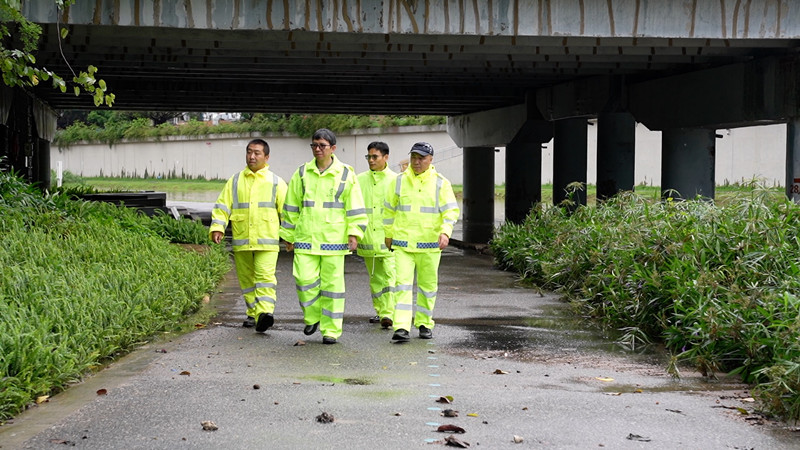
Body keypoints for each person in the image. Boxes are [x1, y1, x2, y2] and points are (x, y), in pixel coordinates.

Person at [280, 128, 368, 344]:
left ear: (333, 148)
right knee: (303, 280)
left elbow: (355, 207)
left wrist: (355, 233)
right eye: (314, 145)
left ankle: (330, 330)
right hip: (305, 239)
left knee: (333, 288)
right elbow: (291, 207)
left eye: (322, 146)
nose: (317, 149)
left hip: (333, 241)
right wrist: (287, 236)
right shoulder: (301, 173)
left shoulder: (346, 174)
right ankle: (312, 317)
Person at [209, 138, 287, 333]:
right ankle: (253, 313)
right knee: (246, 279)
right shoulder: (235, 181)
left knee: (265, 277)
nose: (252, 156)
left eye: (257, 153)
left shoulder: (276, 183)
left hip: (267, 240)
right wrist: (217, 227)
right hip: (242, 238)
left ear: (266, 157)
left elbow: (287, 212)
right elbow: (222, 206)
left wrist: (289, 236)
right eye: (249, 152)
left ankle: (265, 313)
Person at [384, 142, 459, 342]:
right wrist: (388, 234)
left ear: (430, 160)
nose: (416, 162)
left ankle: (425, 323)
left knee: (427, 286)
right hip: (403, 244)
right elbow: (388, 211)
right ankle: (401, 327)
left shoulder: (441, 183)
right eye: (414, 157)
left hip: (429, 245)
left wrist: (445, 232)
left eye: (421, 158)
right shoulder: (399, 182)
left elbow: (450, 212)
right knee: (402, 286)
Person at [356, 141, 397, 329]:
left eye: (375, 157)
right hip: (367, 241)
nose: (371, 160)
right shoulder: (359, 180)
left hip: (389, 240)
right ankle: (381, 312)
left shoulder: (396, 180)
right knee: (375, 279)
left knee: (390, 277)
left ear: (386, 157)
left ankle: (389, 313)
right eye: (368, 157)